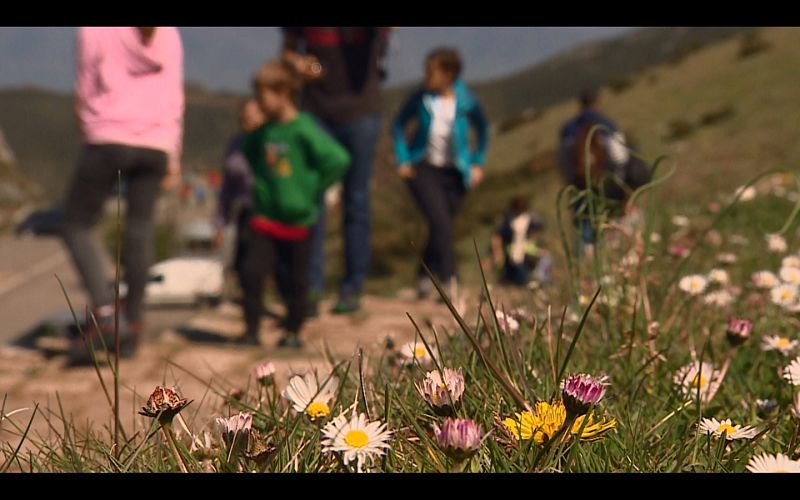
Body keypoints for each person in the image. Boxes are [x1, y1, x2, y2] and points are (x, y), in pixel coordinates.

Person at [62, 27, 184, 365]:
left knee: (75, 224)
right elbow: (175, 96)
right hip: (156, 146)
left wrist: (91, 129)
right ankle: (133, 321)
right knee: (139, 230)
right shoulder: (167, 32)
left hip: (109, 138)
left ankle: (105, 313)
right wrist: (172, 153)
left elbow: (85, 92)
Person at [280, 27, 393, 315]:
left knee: (356, 202)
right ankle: (311, 288)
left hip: (361, 113)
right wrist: (301, 65)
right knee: (311, 201)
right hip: (316, 112)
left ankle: (352, 288)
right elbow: (289, 51)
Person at [239, 59, 350, 349]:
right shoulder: (264, 131)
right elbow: (249, 153)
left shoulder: (303, 128)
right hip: (264, 218)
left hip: (298, 220)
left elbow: (338, 159)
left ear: (283, 93)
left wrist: (312, 188)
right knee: (252, 272)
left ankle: (293, 330)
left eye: (263, 95)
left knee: (296, 281)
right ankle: (251, 330)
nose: (258, 102)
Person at [391, 47, 489, 299]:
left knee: (441, 226)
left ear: (449, 73)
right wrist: (403, 159)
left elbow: (483, 128)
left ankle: (424, 277)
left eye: (431, 71)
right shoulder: (420, 98)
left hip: (457, 172)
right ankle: (450, 279)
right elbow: (399, 125)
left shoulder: (467, 101)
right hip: (423, 169)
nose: (426, 76)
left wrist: (477, 162)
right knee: (440, 220)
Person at [556, 89, 633, 249]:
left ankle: (585, 264)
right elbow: (620, 157)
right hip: (608, 186)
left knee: (583, 229)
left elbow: (562, 161)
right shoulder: (606, 124)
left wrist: (572, 181)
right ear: (598, 102)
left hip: (580, 186)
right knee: (613, 227)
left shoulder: (569, 129)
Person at [213, 99, 265, 294]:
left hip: (271, 211)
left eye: (254, 117)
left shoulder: (274, 141)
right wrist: (219, 223)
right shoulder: (236, 144)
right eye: (244, 118)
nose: (248, 123)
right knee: (243, 266)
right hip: (246, 211)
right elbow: (227, 187)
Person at [489, 195, 552, 287]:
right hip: (514, 253)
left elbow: (540, 229)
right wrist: (498, 253)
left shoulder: (531, 218)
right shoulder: (508, 220)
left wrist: (536, 244)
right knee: (520, 278)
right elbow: (497, 236)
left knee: (545, 261)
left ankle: (542, 281)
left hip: (528, 250)